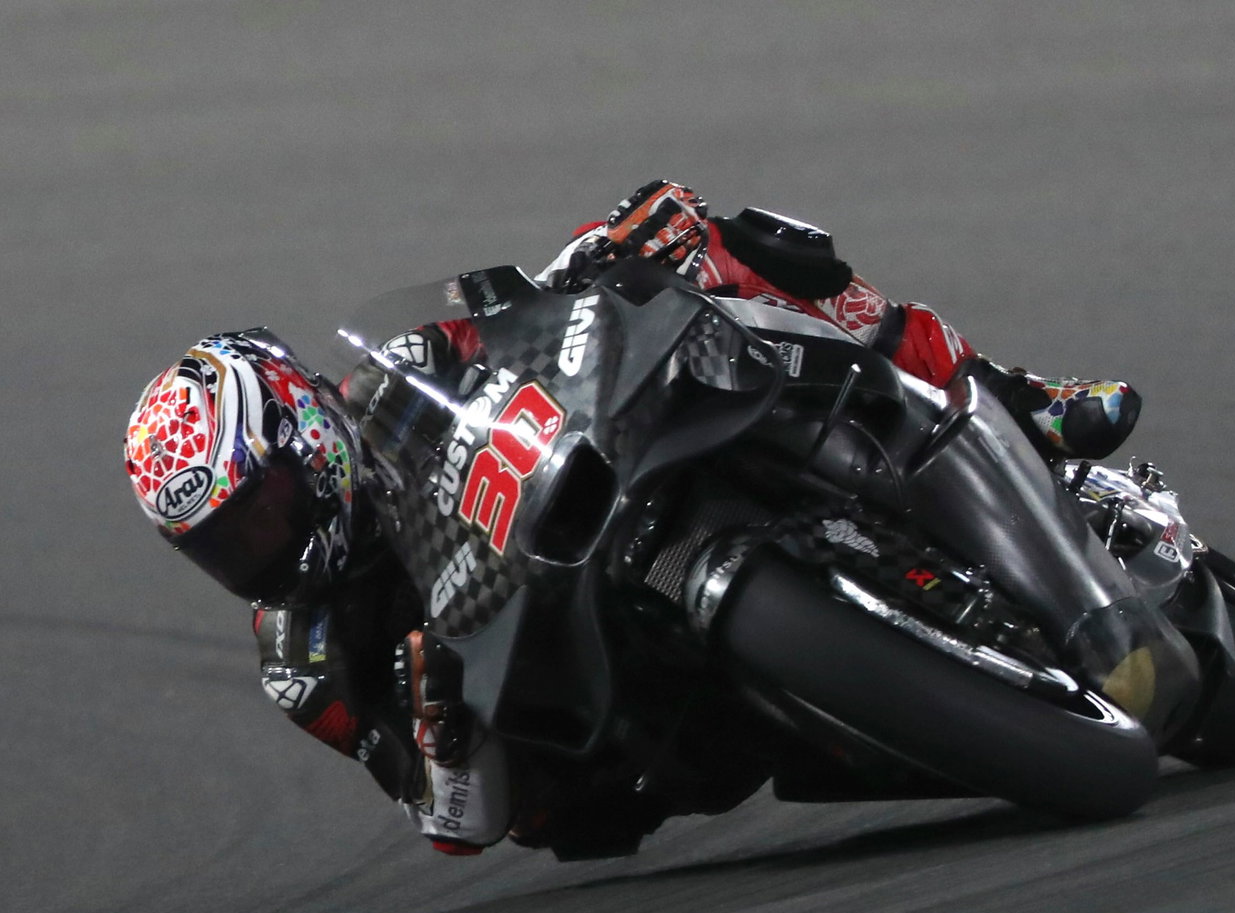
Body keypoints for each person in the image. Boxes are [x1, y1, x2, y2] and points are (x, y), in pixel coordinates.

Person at [123, 181, 1143, 857]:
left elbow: (521, 314)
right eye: (221, 546)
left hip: (608, 505)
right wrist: (438, 739)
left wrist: (603, 258)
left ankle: (1010, 396)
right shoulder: (301, 656)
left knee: (723, 240)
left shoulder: (402, 381)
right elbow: (451, 828)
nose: (255, 551)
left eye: (255, 513)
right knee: (571, 808)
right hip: (615, 745)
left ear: (305, 435)